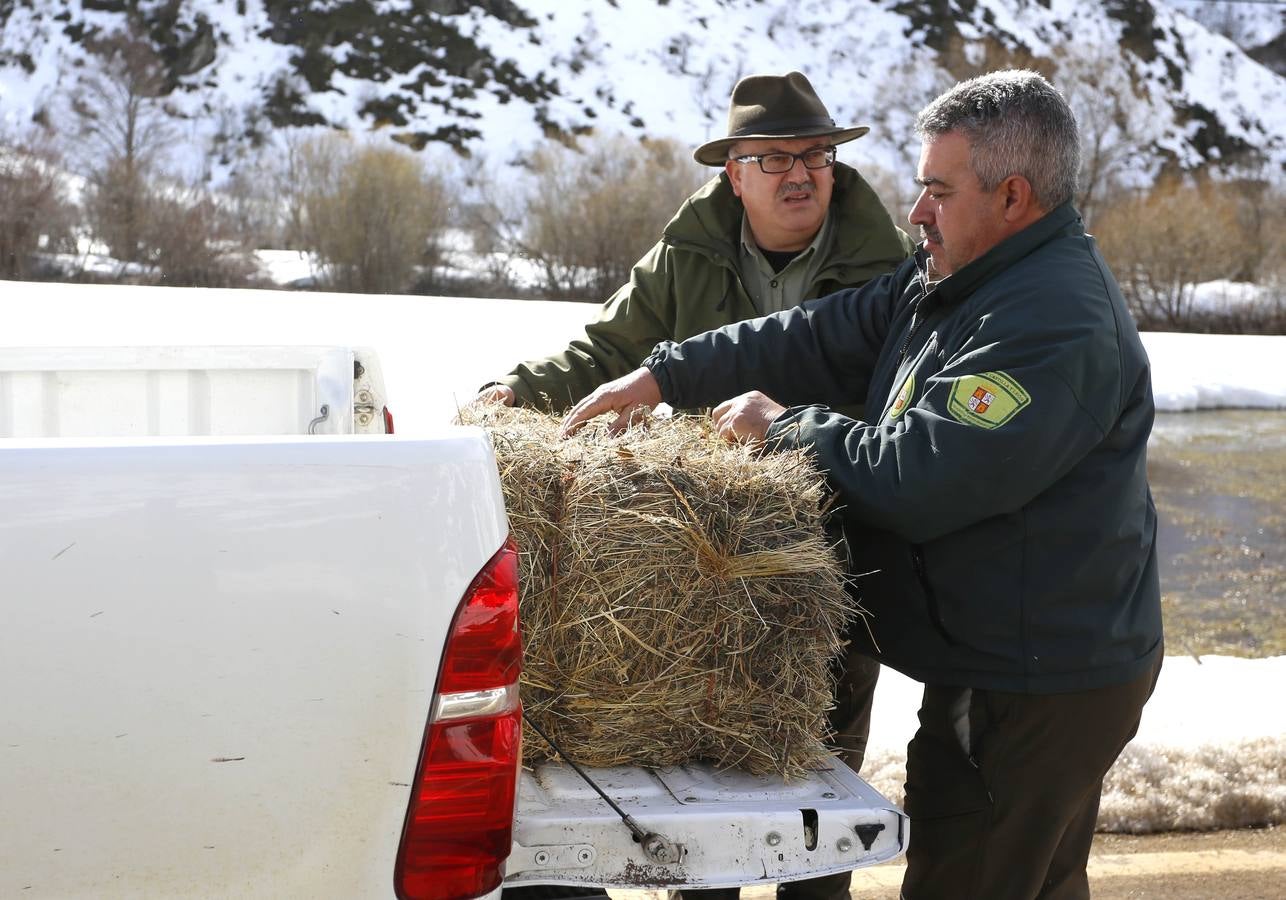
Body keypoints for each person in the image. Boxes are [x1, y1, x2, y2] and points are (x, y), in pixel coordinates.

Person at [561, 69, 1164, 900]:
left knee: (974, 869)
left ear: (1015, 196)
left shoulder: (1051, 320)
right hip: (1006, 654)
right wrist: (666, 375)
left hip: (1040, 679)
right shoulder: (958, 277)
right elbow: (817, 331)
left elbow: (923, 475)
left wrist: (784, 430)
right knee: (1020, 872)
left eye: (937, 191)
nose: (917, 212)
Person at [487, 70, 912, 900]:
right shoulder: (687, 253)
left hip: (826, 559)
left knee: (817, 797)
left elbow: (900, 411)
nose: (801, 174)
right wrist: (518, 391)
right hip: (703, 562)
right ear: (734, 173)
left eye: (816, 155)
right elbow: (613, 351)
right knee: (704, 781)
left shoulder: (886, 266)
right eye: (775, 157)